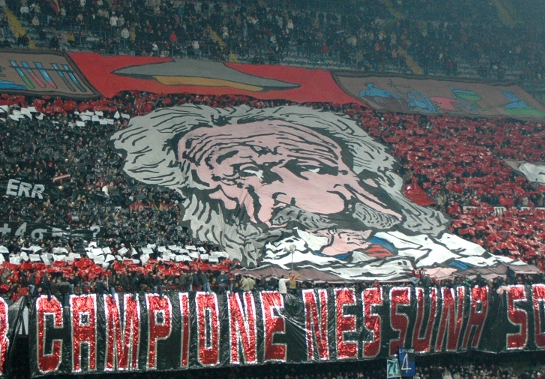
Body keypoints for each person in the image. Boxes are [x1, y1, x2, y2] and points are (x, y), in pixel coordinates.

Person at [113, 104, 518, 279]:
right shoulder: (268, 264)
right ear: (204, 195)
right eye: (242, 174)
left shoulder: (447, 252)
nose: (279, 190)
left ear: (360, 179)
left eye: (305, 167)